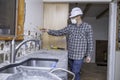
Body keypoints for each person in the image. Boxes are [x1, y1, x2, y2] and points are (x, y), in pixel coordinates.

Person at [40, 7, 94, 80]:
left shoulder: (87, 27)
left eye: (73, 17)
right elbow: (59, 32)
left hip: (80, 55)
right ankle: (77, 75)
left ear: (79, 16)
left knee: (75, 72)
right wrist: (48, 30)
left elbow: (90, 41)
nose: (72, 18)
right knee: (72, 71)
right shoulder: (70, 27)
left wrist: (89, 55)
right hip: (70, 54)